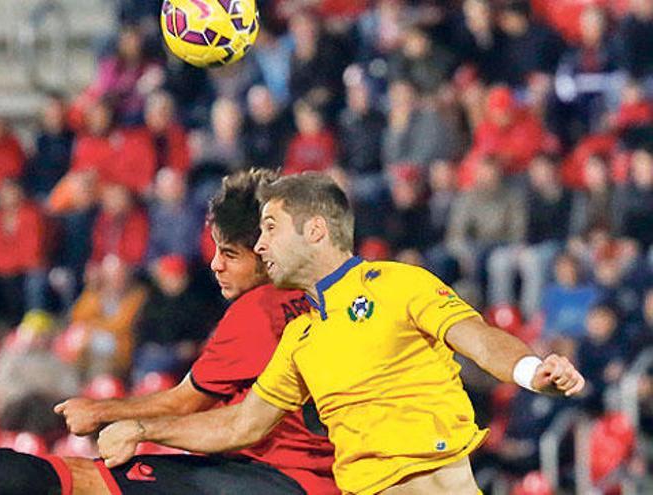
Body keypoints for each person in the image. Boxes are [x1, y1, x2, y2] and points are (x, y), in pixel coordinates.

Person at [0, 169, 339, 495]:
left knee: (80, 480)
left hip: (284, 480)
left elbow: (189, 403)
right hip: (298, 473)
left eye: (230, 254)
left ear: (265, 248)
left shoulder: (259, 313)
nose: (214, 265)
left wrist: (104, 413)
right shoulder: (329, 296)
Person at [97, 172, 585, 495]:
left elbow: (478, 339)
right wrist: (143, 430)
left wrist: (529, 370)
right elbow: (239, 426)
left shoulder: (398, 283)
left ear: (315, 231)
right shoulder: (300, 338)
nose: (260, 244)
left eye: (270, 228)